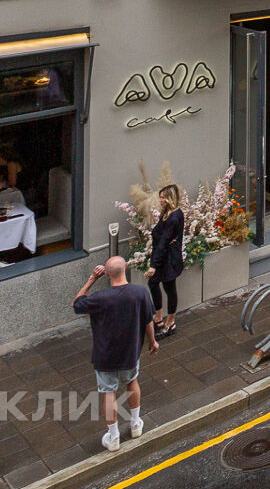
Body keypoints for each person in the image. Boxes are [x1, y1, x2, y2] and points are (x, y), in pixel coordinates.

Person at [72, 255, 157, 452]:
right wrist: (153, 341)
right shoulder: (140, 293)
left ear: (107, 274)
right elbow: (148, 320)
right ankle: (135, 425)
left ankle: (114, 436)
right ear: (125, 267)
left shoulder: (100, 298)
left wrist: (92, 279)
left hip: (105, 356)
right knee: (132, 382)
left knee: (108, 393)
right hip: (130, 352)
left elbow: (76, 304)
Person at [145, 185, 184, 338]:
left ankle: (170, 322)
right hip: (163, 256)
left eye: (163, 197)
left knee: (169, 289)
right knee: (153, 283)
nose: (160, 200)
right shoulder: (167, 213)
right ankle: (159, 317)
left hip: (168, 260)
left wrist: (153, 266)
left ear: (170, 198)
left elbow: (163, 241)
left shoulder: (174, 217)